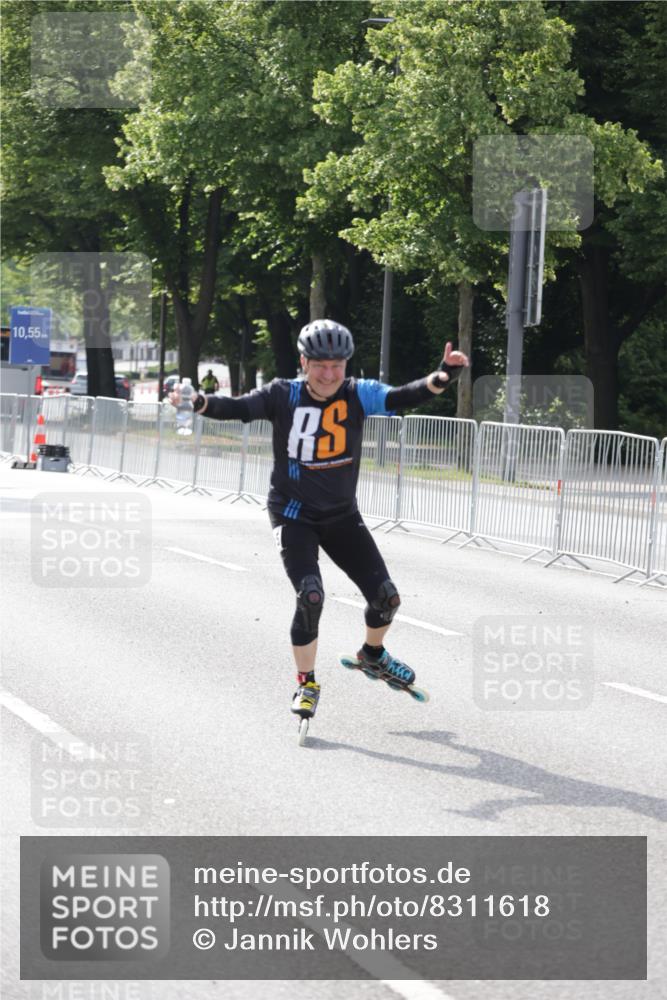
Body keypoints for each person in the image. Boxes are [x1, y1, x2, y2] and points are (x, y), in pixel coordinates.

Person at [170, 320, 468, 720]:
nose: (329, 375)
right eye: (320, 366)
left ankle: (372, 655)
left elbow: (401, 397)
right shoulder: (283, 394)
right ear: (303, 362)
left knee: (387, 599)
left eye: (337, 366)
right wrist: (201, 402)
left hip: (342, 516)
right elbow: (240, 408)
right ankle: (306, 684)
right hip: (294, 515)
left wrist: (443, 376)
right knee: (311, 595)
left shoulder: (358, 394)